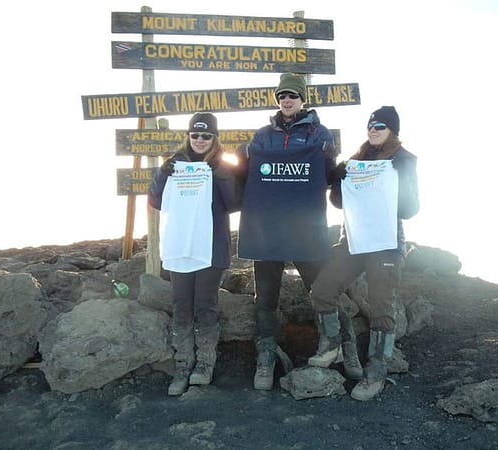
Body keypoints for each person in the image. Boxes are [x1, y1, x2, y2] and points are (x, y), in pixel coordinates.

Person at [235, 73, 362, 391]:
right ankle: (265, 359)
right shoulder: (262, 137)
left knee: (323, 291)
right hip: (268, 231)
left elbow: (329, 179)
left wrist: (338, 171)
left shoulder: (320, 136)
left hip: (305, 228)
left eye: (292, 95)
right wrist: (240, 163)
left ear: (303, 98)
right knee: (265, 299)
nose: (287, 100)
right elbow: (245, 178)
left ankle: (348, 351)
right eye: (282, 96)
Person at [307, 105, 420, 401]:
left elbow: (410, 210)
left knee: (381, 309)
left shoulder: (403, 160)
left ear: (393, 131)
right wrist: (339, 180)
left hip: (385, 244)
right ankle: (331, 344)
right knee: (322, 288)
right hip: (353, 242)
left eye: (380, 126)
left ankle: (376, 372)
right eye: (370, 126)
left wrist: (398, 181)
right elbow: (340, 204)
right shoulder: (356, 160)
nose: (373, 130)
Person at [148, 112, 242, 396]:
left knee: (205, 305)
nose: (200, 140)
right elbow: (155, 201)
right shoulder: (175, 164)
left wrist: (222, 175)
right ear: (188, 136)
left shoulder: (221, 167)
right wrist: (163, 174)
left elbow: (235, 203)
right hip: (181, 248)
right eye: (195, 135)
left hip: (211, 248)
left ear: (215, 138)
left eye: (206, 135)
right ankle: (182, 364)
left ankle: (204, 364)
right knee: (181, 305)